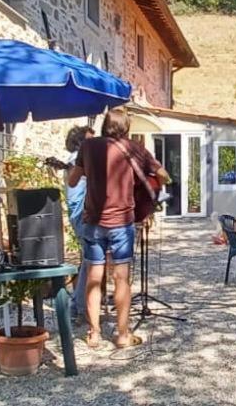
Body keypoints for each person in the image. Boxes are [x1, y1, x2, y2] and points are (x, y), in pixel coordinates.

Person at [69, 106, 168, 349]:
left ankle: (93, 334)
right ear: (126, 127)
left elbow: (72, 180)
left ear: (104, 124)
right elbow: (164, 175)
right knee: (121, 278)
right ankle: (123, 335)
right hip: (122, 222)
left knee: (94, 277)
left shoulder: (88, 147)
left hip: (93, 222)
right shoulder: (135, 148)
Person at [63, 123, 94, 321]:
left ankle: (79, 303)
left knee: (89, 260)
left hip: (79, 214)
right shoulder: (78, 160)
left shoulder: (74, 160)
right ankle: (78, 306)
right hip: (82, 215)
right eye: (92, 138)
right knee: (91, 261)